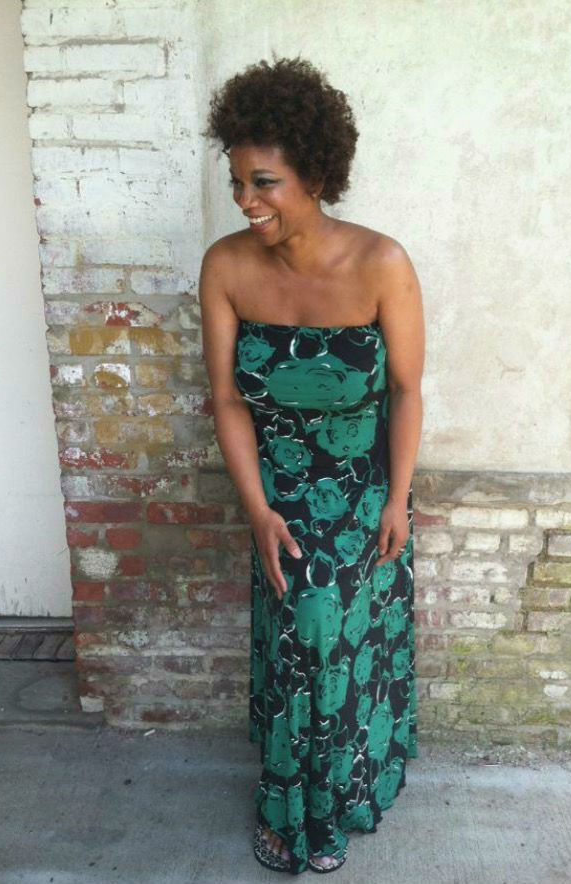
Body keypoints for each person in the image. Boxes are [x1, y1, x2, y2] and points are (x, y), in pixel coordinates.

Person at [200, 55, 425, 875]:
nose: (245, 200)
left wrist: (396, 500)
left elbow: (405, 390)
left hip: (364, 490)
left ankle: (333, 796)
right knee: (307, 635)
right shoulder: (226, 266)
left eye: (263, 183)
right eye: (236, 183)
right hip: (278, 489)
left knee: (329, 630)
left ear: (316, 176)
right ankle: (298, 807)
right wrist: (257, 509)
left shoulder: (380, 264)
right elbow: (227, 399)